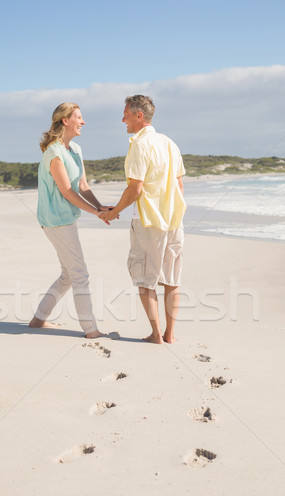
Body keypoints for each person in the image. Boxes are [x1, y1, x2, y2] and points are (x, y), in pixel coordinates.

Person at [102, 95, 186, 344]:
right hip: (174, 220)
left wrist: (114, 211)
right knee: (172, 280)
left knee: (145, 279)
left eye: (126, 114)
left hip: (148, 222)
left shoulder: (138, 144)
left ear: (139, 116)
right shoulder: (170, 143)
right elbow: (179, 186)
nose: (123, 119)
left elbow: (135, 189)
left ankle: (156, 335)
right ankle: (170, 334)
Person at [29, 102, 111, 338]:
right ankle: (91, 330)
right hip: (55, 221)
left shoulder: (75, 150)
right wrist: (96, 214)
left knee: (68, 274)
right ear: (65, 120)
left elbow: (82, 186)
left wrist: (100, 206)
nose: (83, 122)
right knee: (79, 274)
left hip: (67, 218)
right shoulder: (54, 152)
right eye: (79, 117)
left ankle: (38, 320)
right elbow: (67, 191)